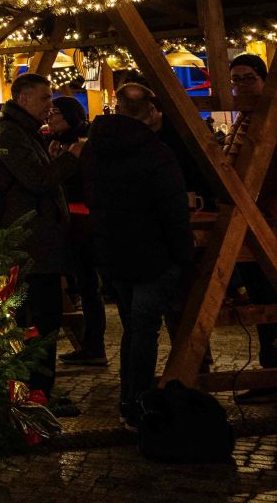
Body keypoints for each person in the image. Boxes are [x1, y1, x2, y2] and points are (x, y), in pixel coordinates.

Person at [83, 83, 194, 427]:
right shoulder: (155, 152)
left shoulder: (94, 148)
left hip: (113, 250)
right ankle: (141, 400)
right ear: (150, 111)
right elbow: (172, 209)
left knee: (134, 328)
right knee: (145, 329)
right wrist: (183, 256)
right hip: (153, 253)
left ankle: (129, 399)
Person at [0, 71, 81, 417]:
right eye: (44, 98)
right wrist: (71, 158)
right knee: (36, 320)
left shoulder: (21, 131)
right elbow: (37, 180)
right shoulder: (9, 132)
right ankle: (33, 393)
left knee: (40, 319)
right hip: (27, 246)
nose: (50, 105)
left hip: (35, 244)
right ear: (23, 99)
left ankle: (37, 391)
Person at [222, 52, 277, 397]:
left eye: (248, 78)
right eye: (236, 79)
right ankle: (273, 372)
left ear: (264, 79)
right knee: (262, 297)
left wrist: (274, 215)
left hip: (274, 223)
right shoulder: (248, 116)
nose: (241, 85)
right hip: (256, 219)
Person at [48, 95, 106, 369]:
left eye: (56, 113)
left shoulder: (84, 144)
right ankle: (91, 344)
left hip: (84, 221)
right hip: (68, 221)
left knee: (88, 284)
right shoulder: (56, 143)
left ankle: (94, 345)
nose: (51, 118)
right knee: (82, 285)